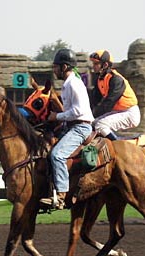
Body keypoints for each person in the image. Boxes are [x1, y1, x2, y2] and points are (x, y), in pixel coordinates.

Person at [39, 48, 95, 210]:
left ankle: (62, 196)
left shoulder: (73, 83)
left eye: (56, 67)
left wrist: (56, 116)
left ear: (64, 67)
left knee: (57, 155)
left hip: (80, 127)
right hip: (72, 126)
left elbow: (78, 111)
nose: (54, 70)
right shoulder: (69, 83)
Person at [89, 49, 140, 140]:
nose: (93, 66)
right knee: (92, 124)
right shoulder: (100, 79)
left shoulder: (116, 79)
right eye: (93, 64)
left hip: (130, 113)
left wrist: (91, 115)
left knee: (101, 125)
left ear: (105, 65)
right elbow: (95, 101)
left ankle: (118, 144)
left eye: (96, 64)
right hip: (119, 111)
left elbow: (108, 104)